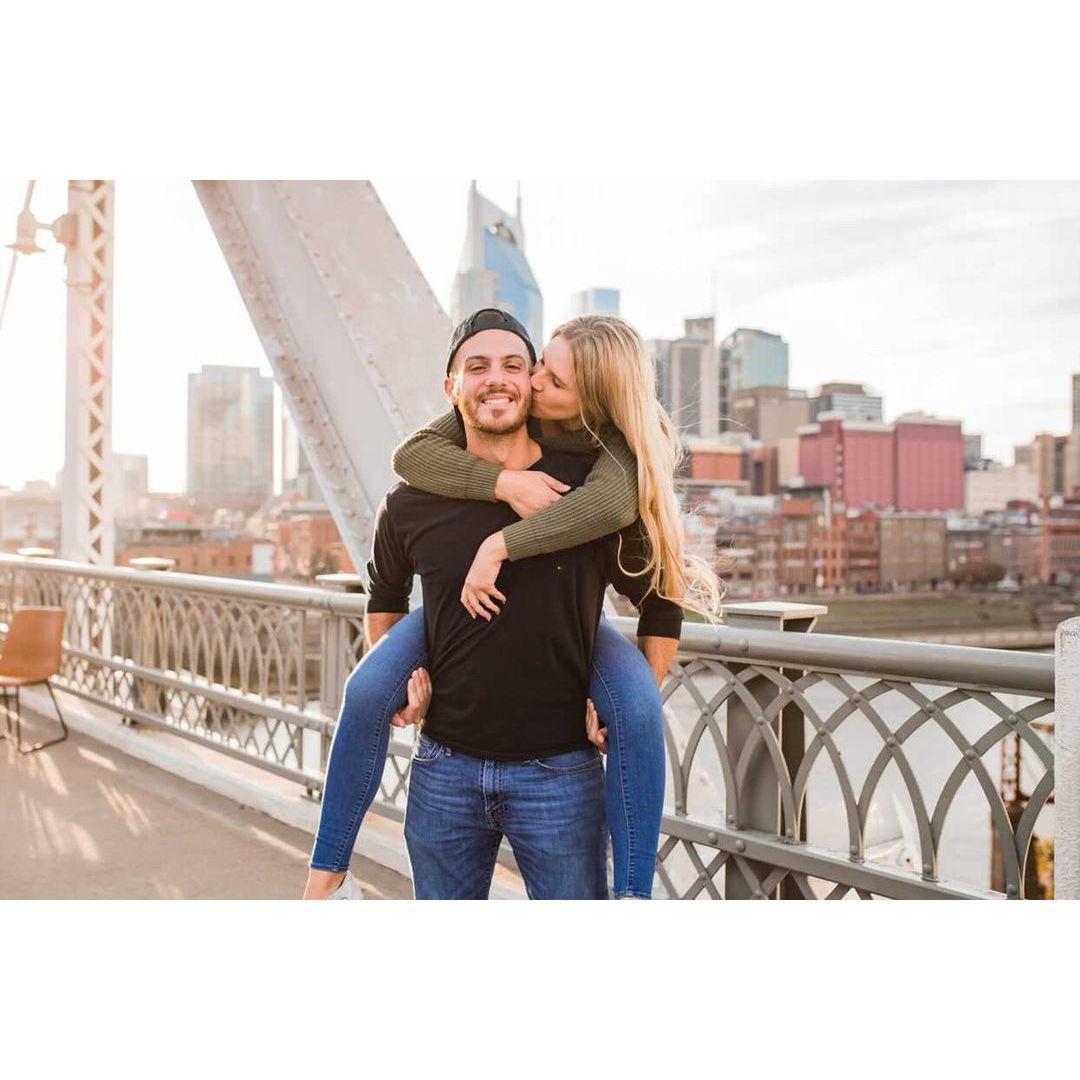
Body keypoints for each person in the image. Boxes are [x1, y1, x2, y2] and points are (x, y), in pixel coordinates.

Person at [304, 308, 720, 899]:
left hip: (561, 778)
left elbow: (659, 601)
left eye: (517, 366)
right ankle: (325, 883)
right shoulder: (411, 499)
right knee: (366, 690)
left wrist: (625, 706)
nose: (498, 378)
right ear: (451, 388)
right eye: (476, 367)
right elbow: (385, 593)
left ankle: (635, 896)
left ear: (532, 384)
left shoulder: (587, 484)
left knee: (638, 710)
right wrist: (408, 689)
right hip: (443, 772)